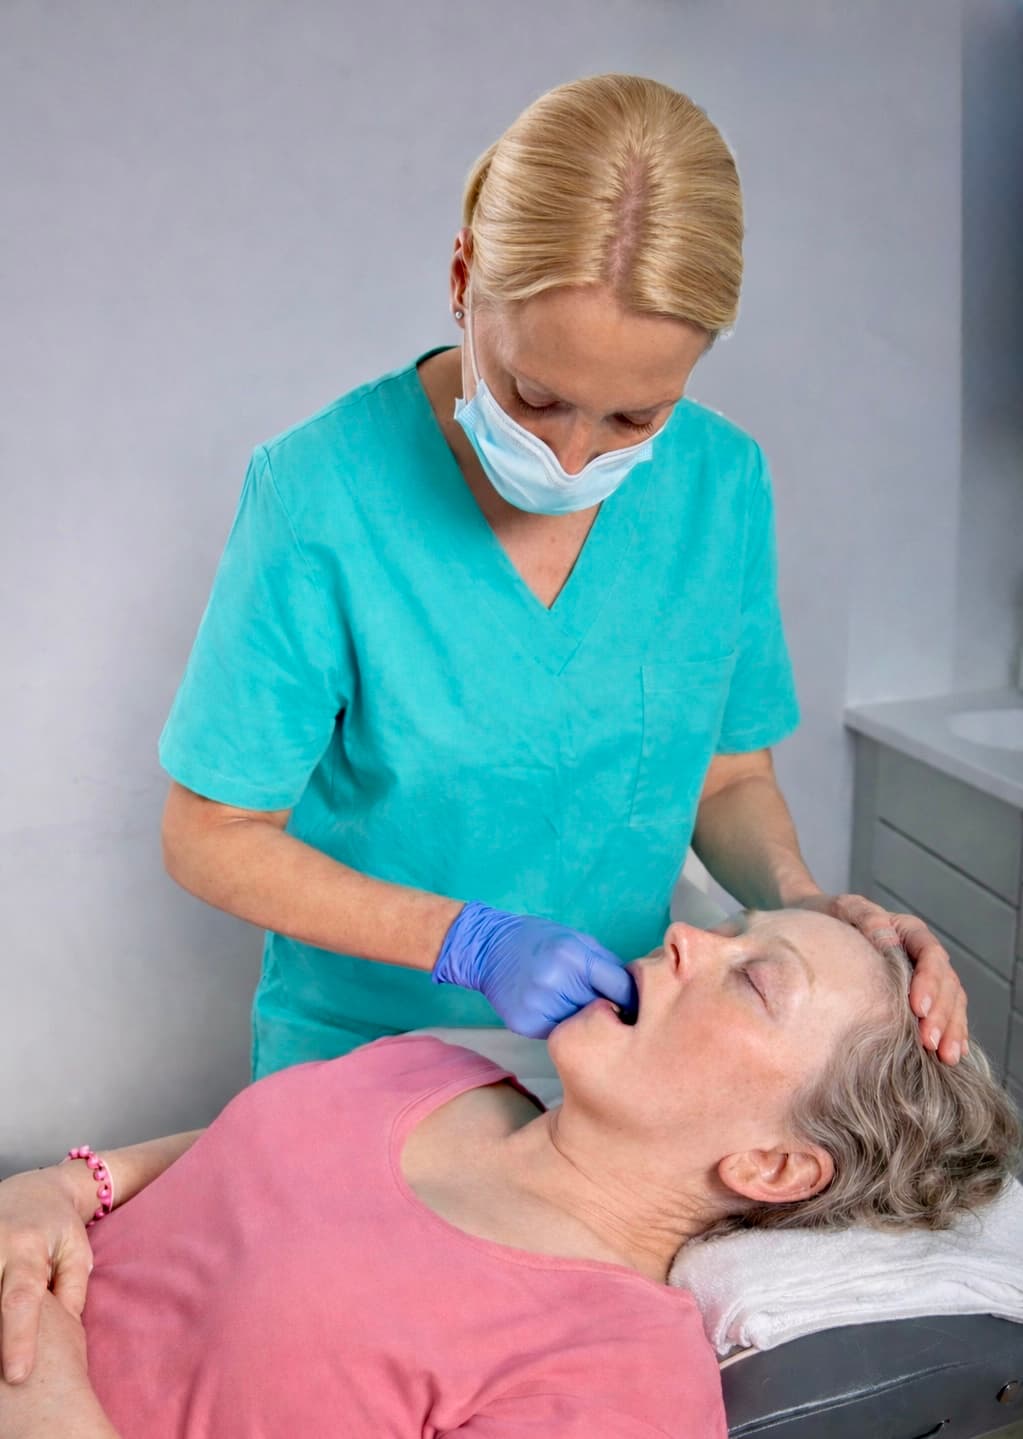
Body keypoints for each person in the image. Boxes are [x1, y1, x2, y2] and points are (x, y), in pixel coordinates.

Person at [154, 72, 968, 1082]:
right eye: (535, 395)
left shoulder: (720, 485)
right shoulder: (320, 492)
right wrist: (470, 941)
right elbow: (211, 832)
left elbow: (728, 776)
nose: (576, 460)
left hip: (616, 1065)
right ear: (463, 282)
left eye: (635, 417)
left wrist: (808, 909)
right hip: (363, 1062)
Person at [0, 911, 1016, 1437]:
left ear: (775, 1162)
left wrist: (36, 1364)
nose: (685, 933)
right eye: (733, 924)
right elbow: (232, 1155)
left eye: (752, 974)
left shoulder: (617, 1382)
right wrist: (60, 1187)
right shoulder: (441, 1067)